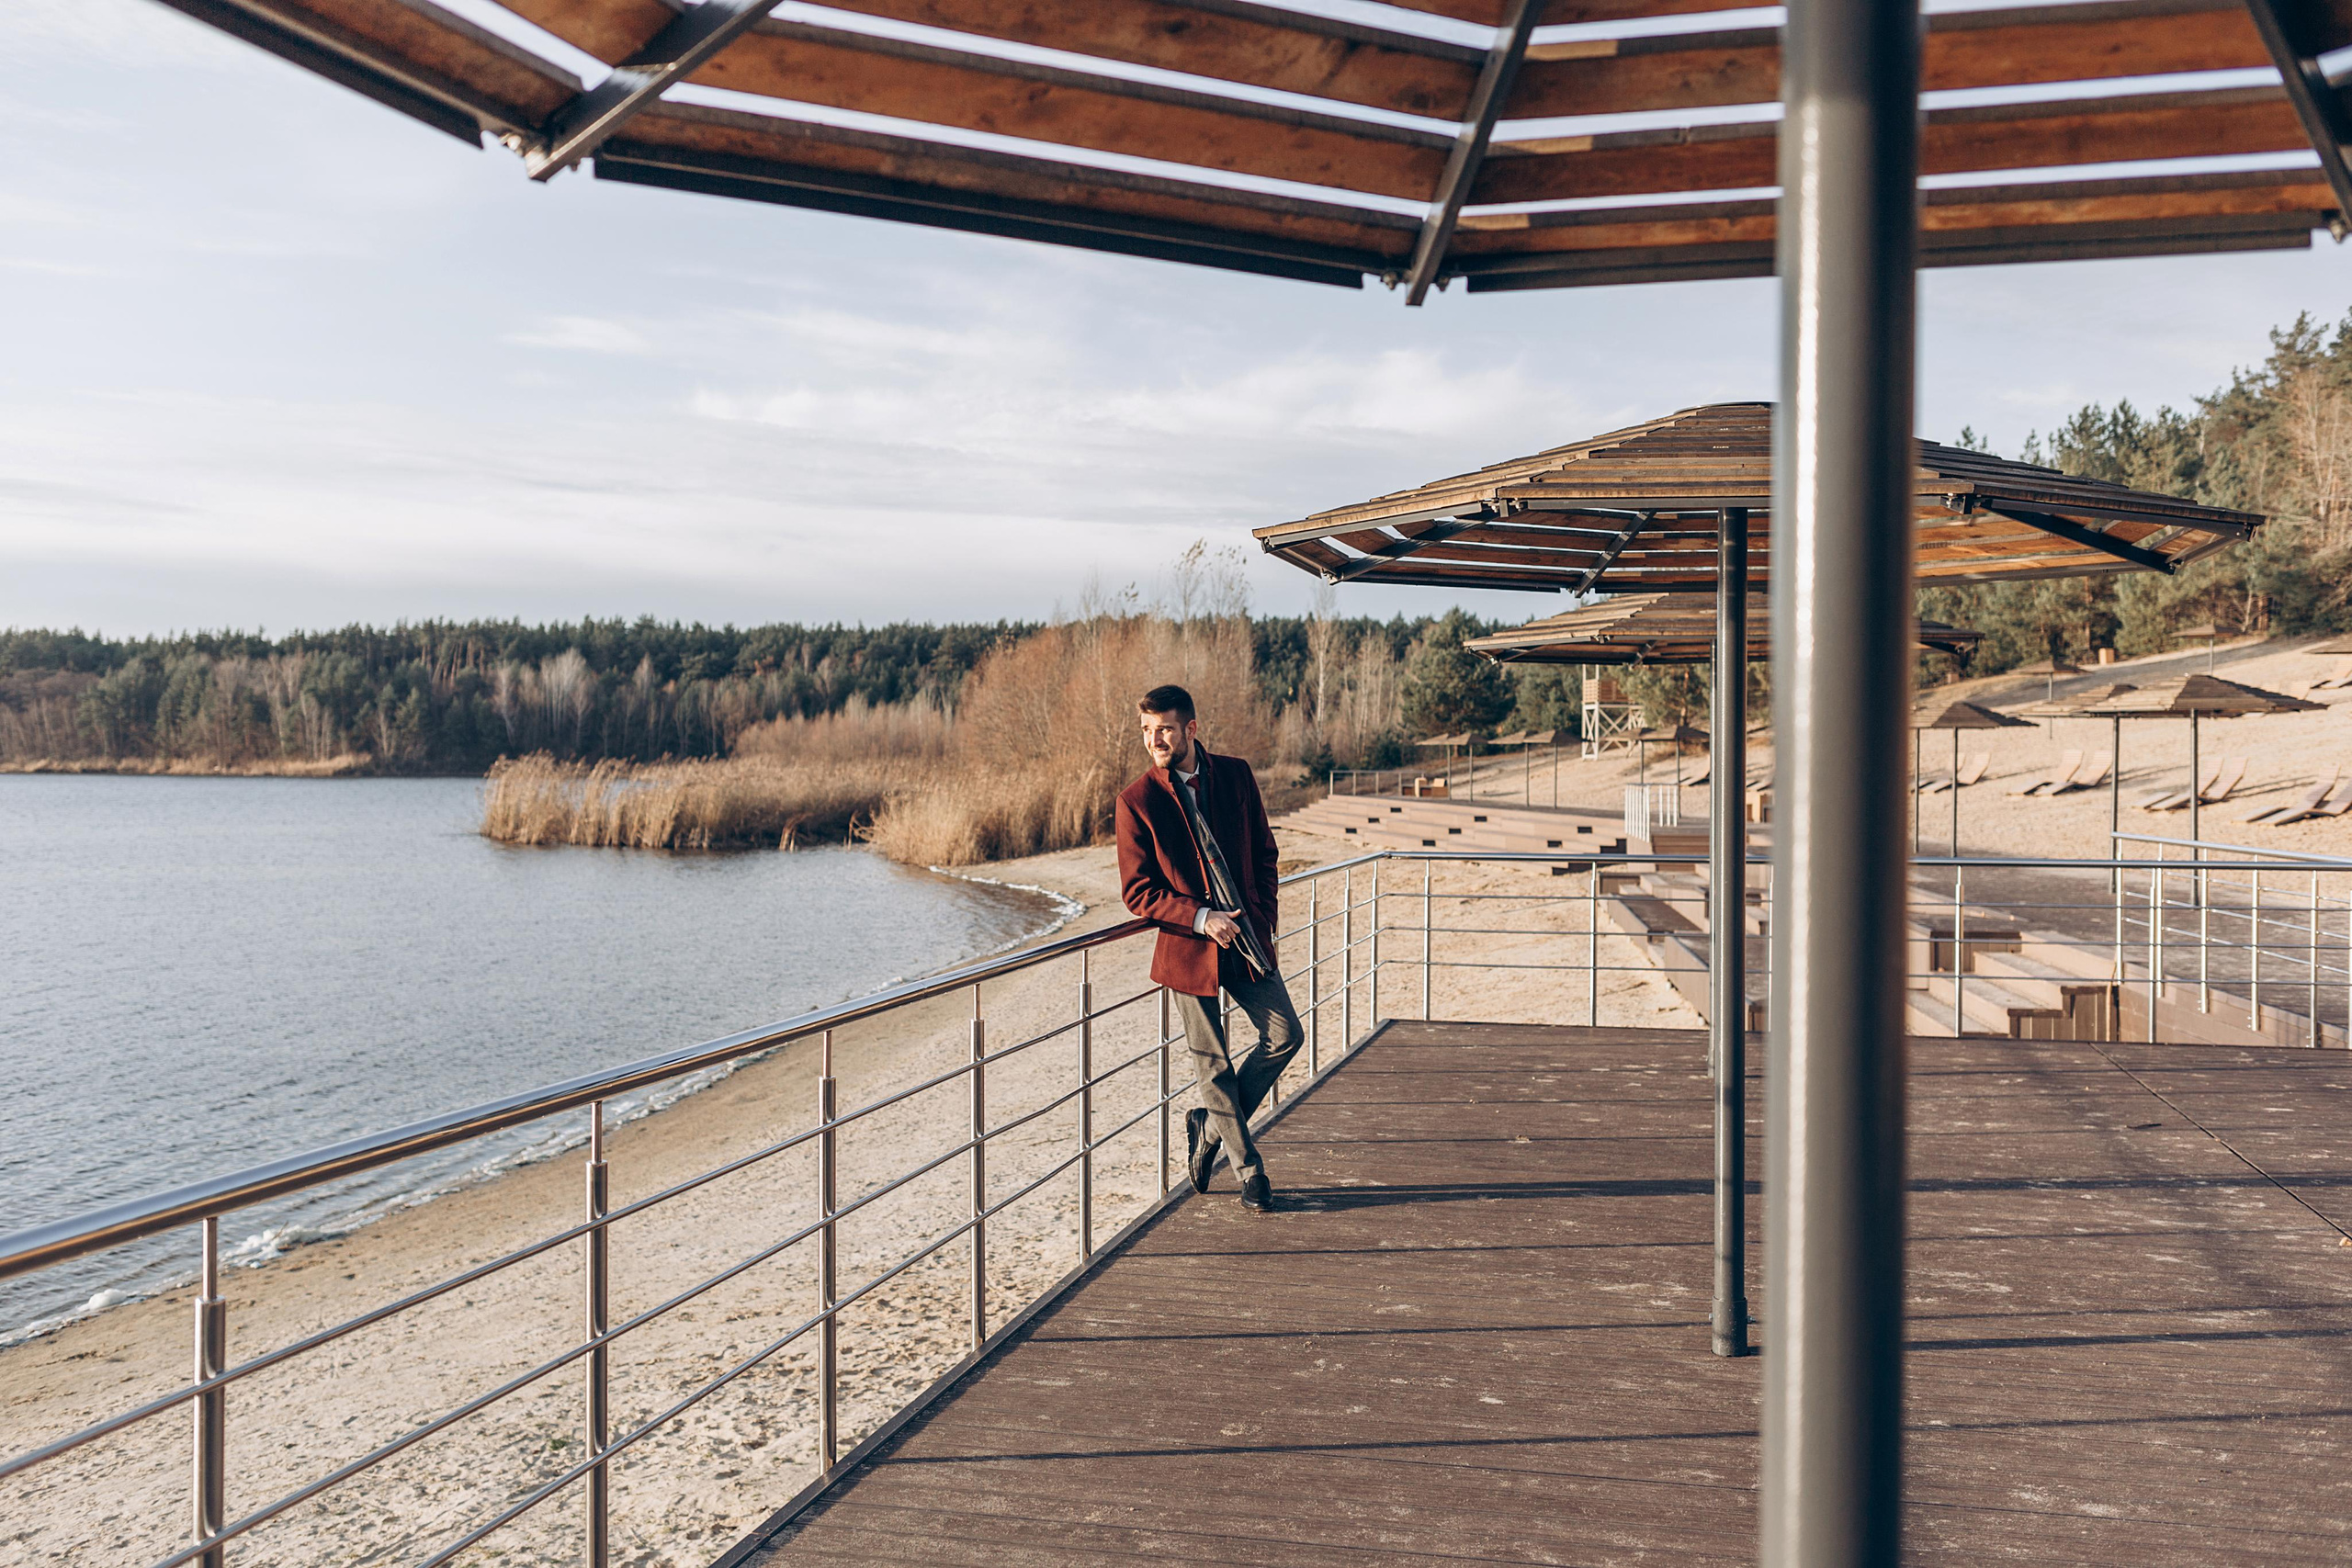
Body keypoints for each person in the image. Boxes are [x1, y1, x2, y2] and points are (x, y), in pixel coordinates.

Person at [1114, 683, 1304, 1213]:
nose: (1156, 739)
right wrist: (1200, 918)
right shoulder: (1136, 801)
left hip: (1247, 941)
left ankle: (1211, 1125)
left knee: (1287, 1035)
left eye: (1166, 729)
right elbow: (1138, 892)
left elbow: (1266, 852)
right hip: (1188, 949)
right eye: (1148, 730)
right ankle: (1250, 1170)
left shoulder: (1237, 776)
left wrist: (1261, 919)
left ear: (1191, 729)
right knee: (1212, 1064)